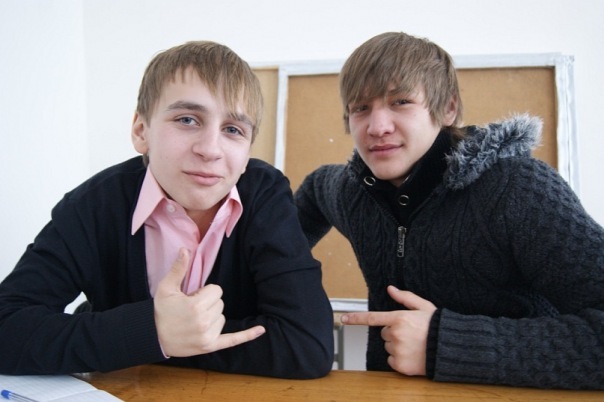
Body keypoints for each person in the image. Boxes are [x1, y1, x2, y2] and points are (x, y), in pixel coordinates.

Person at [0, 40, 334, 379]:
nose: (210, 149)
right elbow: (6, 326)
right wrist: (152, 332)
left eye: (233, 130)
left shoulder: (265, 195)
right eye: (187, 119)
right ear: (141, 132)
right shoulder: (93, 206)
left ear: (247, 152)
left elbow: (307, 346)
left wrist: (155, 341)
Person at [294, 31, 604, 389]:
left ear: (448, 109)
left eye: (401, 102)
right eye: (360, 108)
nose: (377, 127)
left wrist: (444, 344)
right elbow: (314, 191)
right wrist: (279, 283)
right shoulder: (352, 192)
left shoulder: (518, 188)